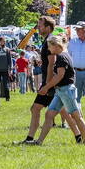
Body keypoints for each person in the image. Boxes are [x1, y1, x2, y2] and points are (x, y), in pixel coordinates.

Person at [34, 35, 85, 145]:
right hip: (61, 91)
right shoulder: (64, 55)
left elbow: (59, 76)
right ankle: (39, 141)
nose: (49, 50)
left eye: (50, 47)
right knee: (49, 115)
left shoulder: (61, 57)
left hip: (66, 90)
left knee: (76, 116)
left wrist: (46, 87)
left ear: (56, 46)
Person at [22, 16, 61, 144]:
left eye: (40, 25)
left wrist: (47, 85)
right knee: (37, 109)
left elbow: (52, 63)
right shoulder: (47, 40)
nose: (38, 27)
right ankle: (80, 137)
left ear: (48, 27)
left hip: (50, 83)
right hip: (51, 82)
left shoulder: (50, 41)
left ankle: (81, 137)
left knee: (67, 112)